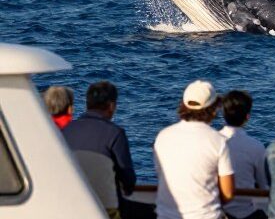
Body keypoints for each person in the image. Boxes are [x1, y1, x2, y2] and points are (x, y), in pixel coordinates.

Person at [154, 80, 235, 219]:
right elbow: (228, 193)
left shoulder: (163, 137)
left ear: (184, 105)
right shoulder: (217, 141)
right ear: (213, 109)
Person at [62, 81, 136, 219]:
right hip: (106, 210)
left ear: (87, 104)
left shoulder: (65, 131)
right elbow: (128, 182)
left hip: (71, 207)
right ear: (111, 106)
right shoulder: (115, 133)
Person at [221, 90, 269, 219]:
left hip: (217, 212)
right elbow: (263, 185)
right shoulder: (256, 146)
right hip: (245, 214)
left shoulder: (211, 142)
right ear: (247, 116)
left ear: (223, 113)